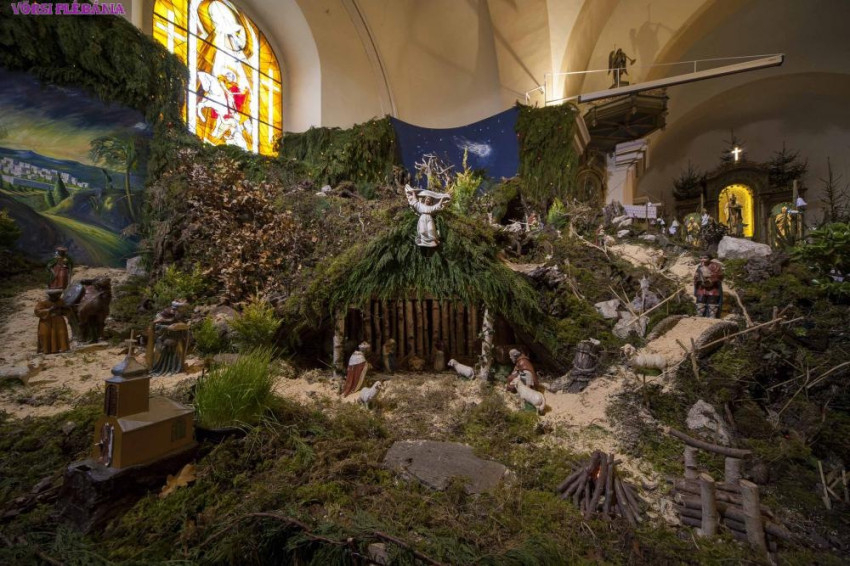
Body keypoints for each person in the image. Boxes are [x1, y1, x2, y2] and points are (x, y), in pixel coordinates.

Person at [35, 289, 70, 354]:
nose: (57, 297)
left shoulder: (60, 301)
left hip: (58, 320)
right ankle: (46, 350)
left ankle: (61, 348)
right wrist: (49, 310)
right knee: (45, 334)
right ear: (51, 296)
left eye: (58, 296)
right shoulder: (43, 302)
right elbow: (37, 311)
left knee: (61, 333)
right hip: (46, 321)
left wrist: (62, 309)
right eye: (55, 296)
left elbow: (66, 310)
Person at [693, 252, 723, 318]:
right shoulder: (700, 266)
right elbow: (696, 276)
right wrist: (696, 277)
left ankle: (712, 317)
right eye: (701, 258)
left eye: (705, 258)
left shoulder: (715, 266)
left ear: (710, 258)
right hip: (702, 287)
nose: (703, 259)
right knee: (700, 301)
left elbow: (719, 275)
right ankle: (699, 316)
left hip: (713, 288)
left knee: (712, 302)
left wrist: (710, 277)